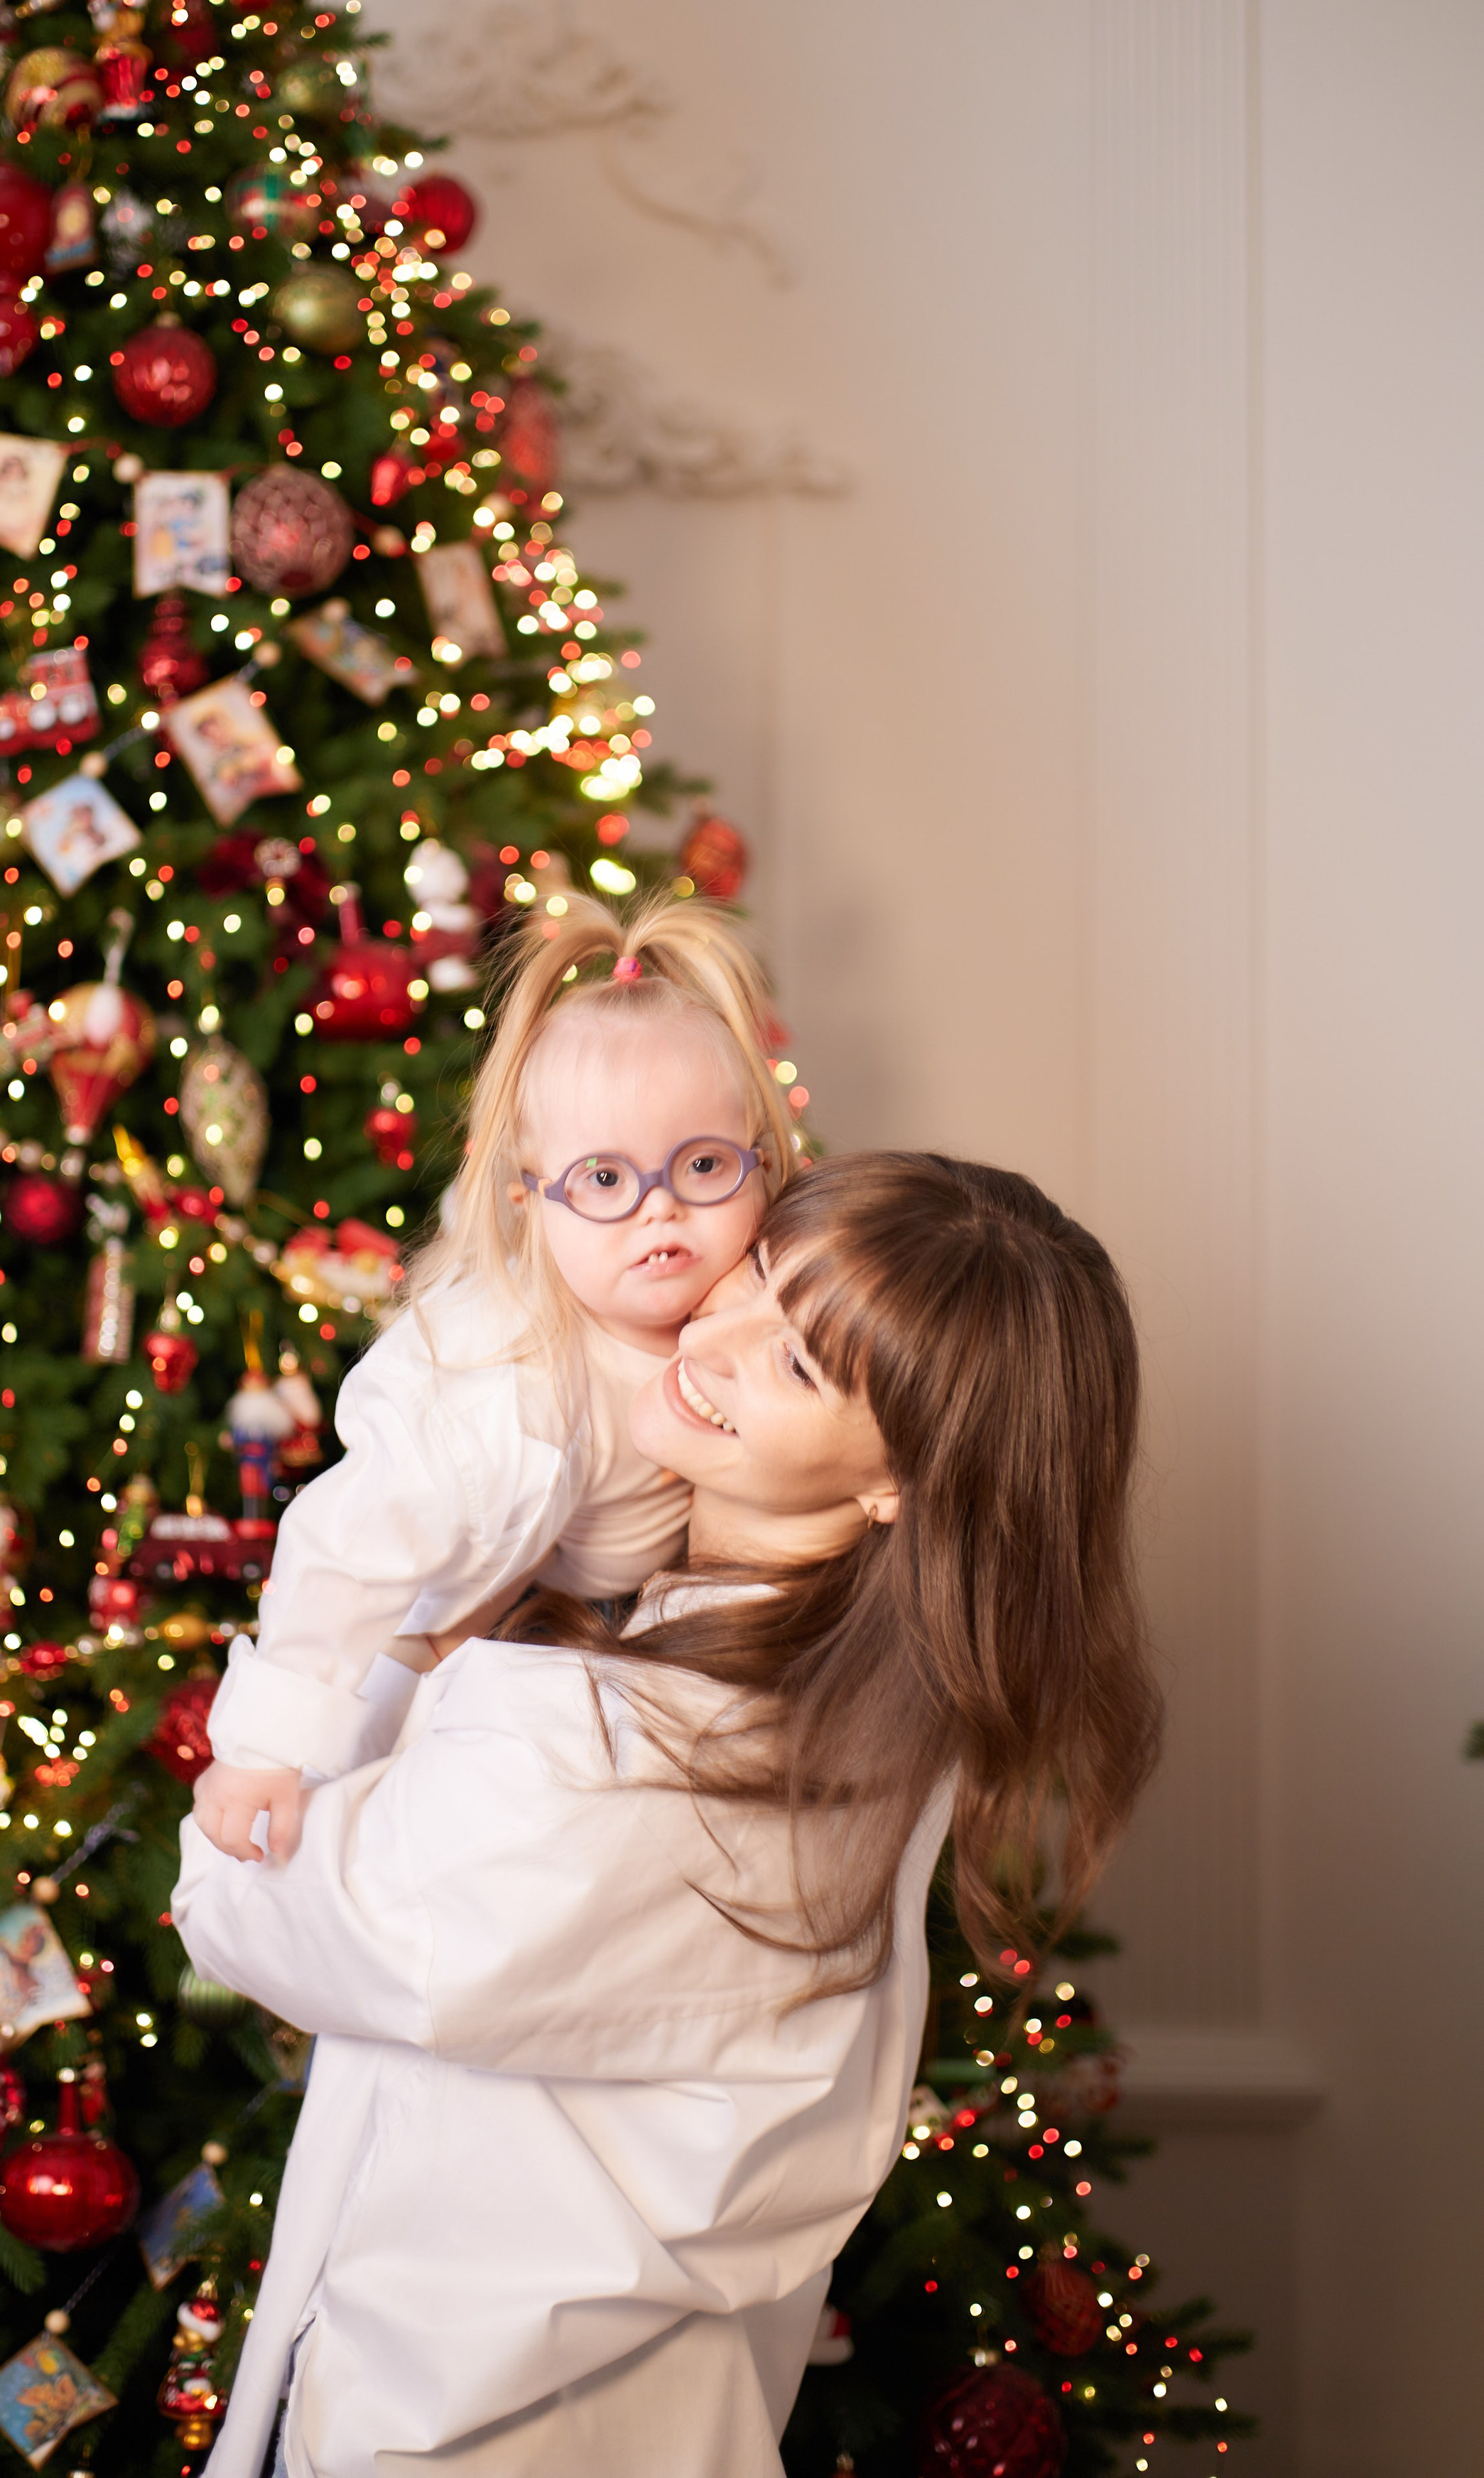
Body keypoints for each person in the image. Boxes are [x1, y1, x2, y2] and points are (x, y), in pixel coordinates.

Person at [173, 1152, 1162, 2478]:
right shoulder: (847, 1732)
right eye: (754, 1275)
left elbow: (245, 1900)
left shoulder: (652, 1752)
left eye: (802, 1365)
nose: (714, 1335)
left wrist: (396, 1644)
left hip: (458, 2438)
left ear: (908, 1484)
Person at [192, 892, 801, 1869]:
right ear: (530, 1196)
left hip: (649, 1626)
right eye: (605, 1181)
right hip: (470, 1633)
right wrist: (264, 1748)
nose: (662, 1214)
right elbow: (353, 1549)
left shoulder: (764, 1297)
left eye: (701, 1165)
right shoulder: (496, 1383)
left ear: (762, 1162)